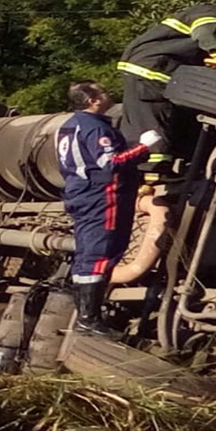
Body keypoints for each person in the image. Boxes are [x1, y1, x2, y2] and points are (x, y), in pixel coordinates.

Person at [57, 82, 159, 336]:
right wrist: (143, 147)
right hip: (103, 196)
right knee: (101, 253)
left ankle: (85, 316)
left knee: (86, 255)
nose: (108, 94)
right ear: (93, 100)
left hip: (80, 194)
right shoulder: (94, 127)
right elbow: (109, 162)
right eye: (102, 92)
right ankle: (88, 320)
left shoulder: (68, 126)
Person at [118, 0, 216, 159]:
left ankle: (177, 163)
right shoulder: (211, 13)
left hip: (160, 69)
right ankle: (152, 169)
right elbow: (208, 35)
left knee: (177, 120)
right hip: (153, 68)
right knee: (154, 123)